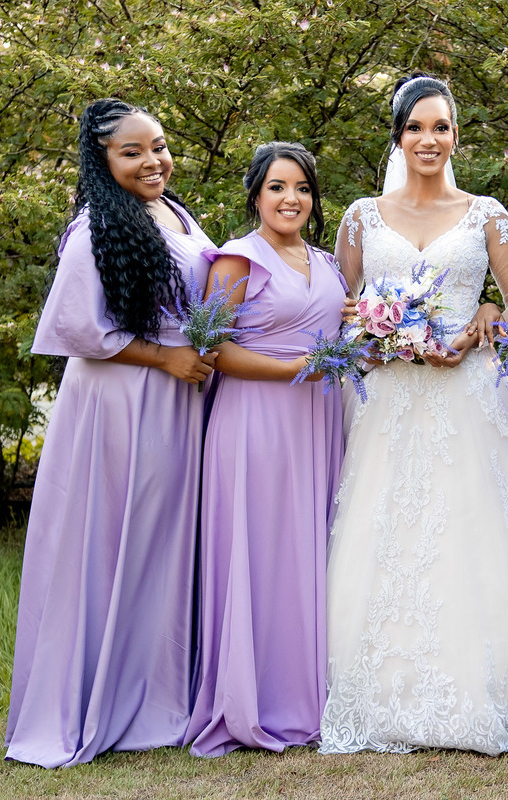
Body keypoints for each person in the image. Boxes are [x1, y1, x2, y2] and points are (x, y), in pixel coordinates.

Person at [319, 74, 508, 756]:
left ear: (456, 137)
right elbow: (338, 304)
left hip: (467, 398)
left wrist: (487, 316)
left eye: (440, 127)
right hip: (388, 398)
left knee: (472, 530)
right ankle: (377, 684)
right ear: (397, 136)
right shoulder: (360, 216)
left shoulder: (487, 215)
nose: (428, 139)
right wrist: (375, 335)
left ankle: (488, 686)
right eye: (415, 127)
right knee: (384, 529)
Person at [6, 99, 217, 768]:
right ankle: (98, 697)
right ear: (103, 162)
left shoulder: (176, 213)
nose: (153, 160)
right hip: (124, 403)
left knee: (164, 544)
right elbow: (77, 329)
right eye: (132, 152)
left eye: (157, 145)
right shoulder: (94, 227)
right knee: (112, 541)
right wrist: (165, 357)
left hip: (180, 399)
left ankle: (162, 695)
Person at [186, 142, 346, 755]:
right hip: (255, 422)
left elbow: (342, 326)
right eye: (278, 188)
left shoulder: (326, 262)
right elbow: (211, 351)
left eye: (302, 188)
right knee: (261, 555)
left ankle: (311, 695)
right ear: (256, 194)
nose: (291, 199)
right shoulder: (236, 260)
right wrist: (297, 368)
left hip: (318, 422)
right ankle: (255, 701)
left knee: (310, 552)